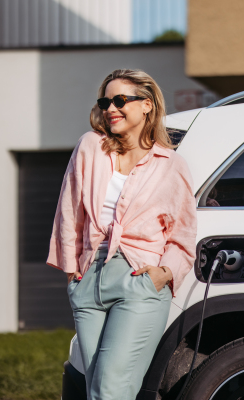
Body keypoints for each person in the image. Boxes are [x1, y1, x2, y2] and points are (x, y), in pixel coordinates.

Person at [47, 69, 197, 400]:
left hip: (138, 279)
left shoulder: (171, 165)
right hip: (89, 278)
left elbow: (183, 234)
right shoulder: (90, 147)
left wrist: (163, 273)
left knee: (110, 390)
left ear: (146, 105)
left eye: (120, 100)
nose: (110, 108)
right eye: (105, 102)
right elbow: (69, 209)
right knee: (96, 389)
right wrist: (72, 270)